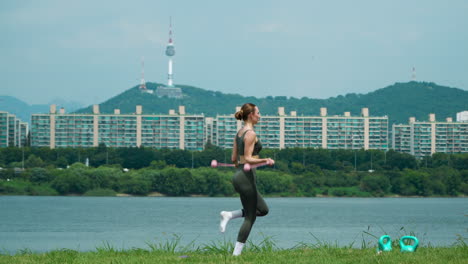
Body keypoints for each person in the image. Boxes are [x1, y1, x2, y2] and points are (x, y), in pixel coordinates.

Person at [218, 103, 274, 256]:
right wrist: (266, 160)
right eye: (258, 113)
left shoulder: (239, 133)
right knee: (250, 217)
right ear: (251, 115)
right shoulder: (251, 134)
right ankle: (236, 255)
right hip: (246, 177)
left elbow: (234, 159)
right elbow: (248, 158)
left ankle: (229, 214)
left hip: (240, 176)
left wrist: (243, 165)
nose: (260, 115)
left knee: (263, 210)